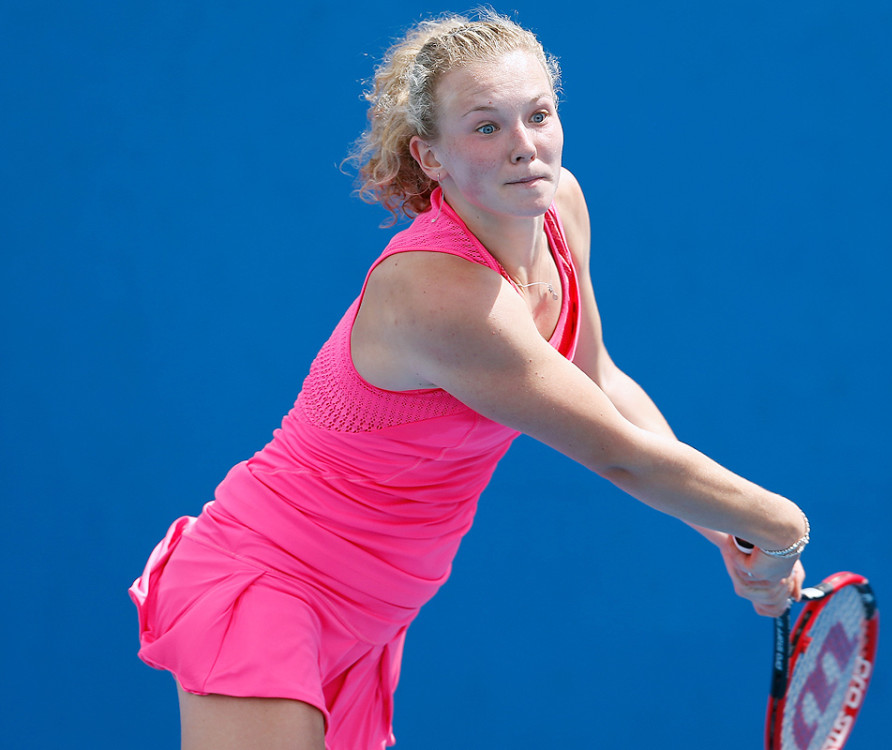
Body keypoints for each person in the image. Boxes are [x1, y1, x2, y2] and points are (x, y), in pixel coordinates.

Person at [130, 10, 810, 750]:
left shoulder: (561, 208)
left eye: (539, 115)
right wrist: (778, 524)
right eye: (486, 128)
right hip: (272, 581)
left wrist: (725, 531)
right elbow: (613, 451)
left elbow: (598, 379)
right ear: (431, 157)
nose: (525, 147)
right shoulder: (440, 295)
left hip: (376, 609)